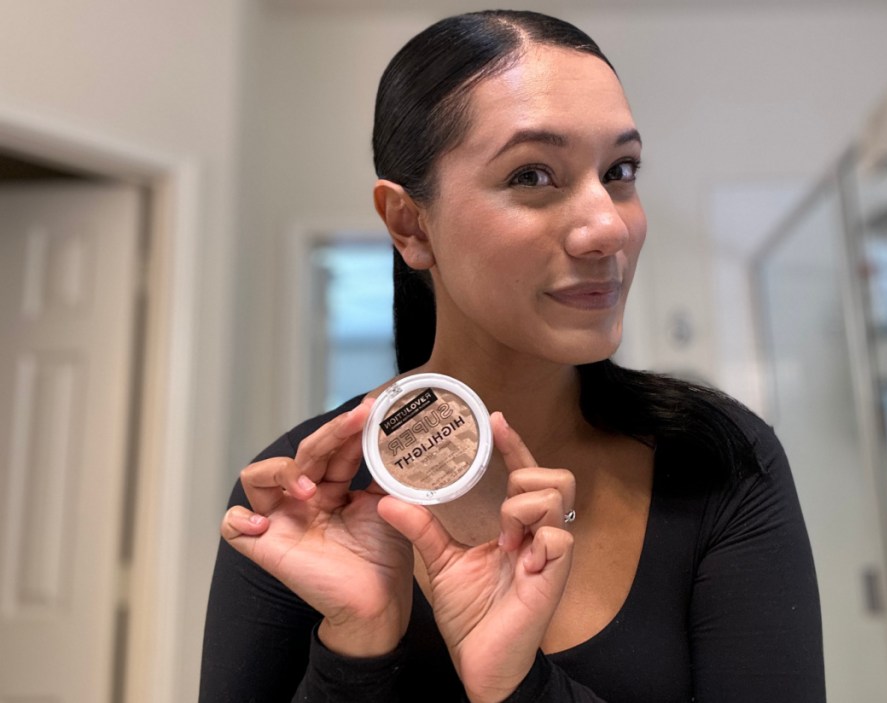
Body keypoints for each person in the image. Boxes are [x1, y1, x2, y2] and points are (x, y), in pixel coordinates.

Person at [199, 10, 825, 702]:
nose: (608, 226)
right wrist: (357, 643)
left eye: (620, 170)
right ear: (410, 223)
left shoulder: (720, 462)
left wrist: (520, 685)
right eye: (532, 175)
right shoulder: (299, 508)